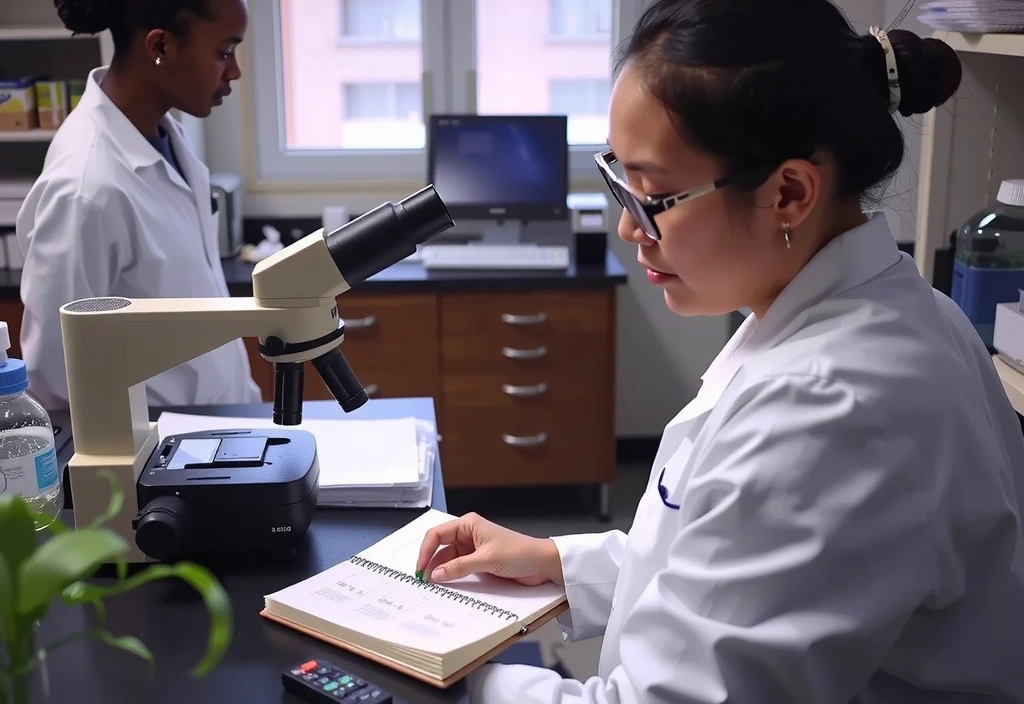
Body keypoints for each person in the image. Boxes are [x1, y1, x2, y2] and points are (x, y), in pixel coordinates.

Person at [416, 1, 1024, 702]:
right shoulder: (892, 314)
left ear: (789, 193)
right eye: (620, 181)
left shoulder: (833, 408)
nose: (627, 227)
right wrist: (555, 561)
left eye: (655, 196)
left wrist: (441, 677)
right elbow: (733, 557)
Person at [16, 0, 262, 409]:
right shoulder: (87, 189)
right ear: (161, 46)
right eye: (223, 52)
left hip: (214, 430)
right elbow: (58, 379)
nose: (234, 70)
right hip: (156, 451)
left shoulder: (166, 141)